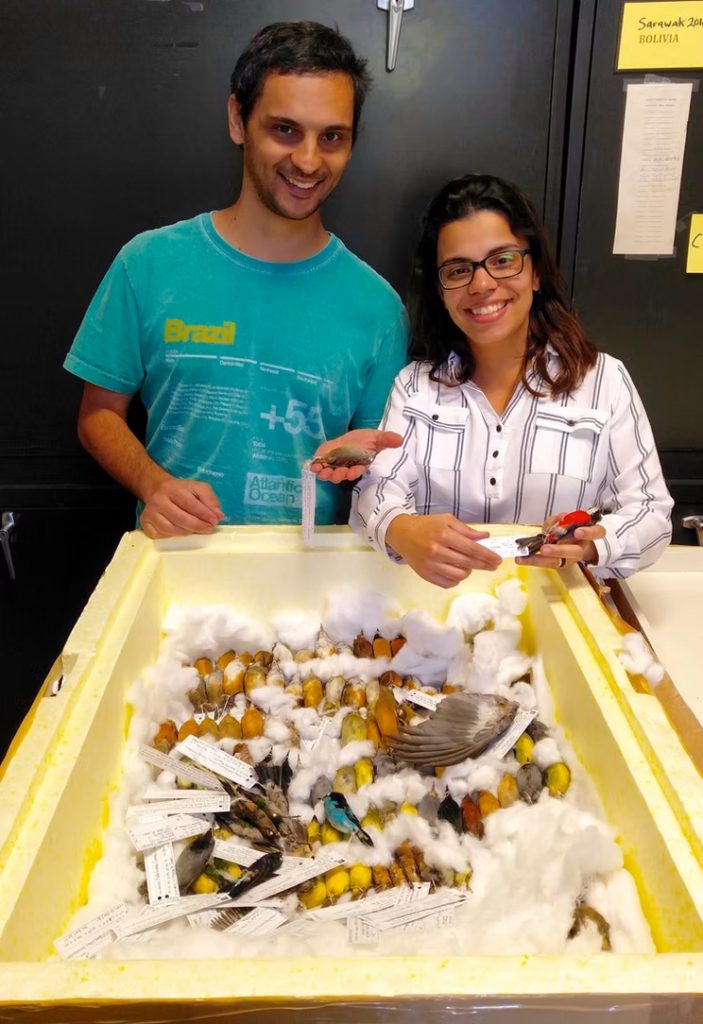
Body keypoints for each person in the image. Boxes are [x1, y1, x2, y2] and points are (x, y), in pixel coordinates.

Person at [64, 21, 407, 538]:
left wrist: (360, 463)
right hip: (175, 574)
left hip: (311, 587)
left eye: (331, 137)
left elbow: (382, 469)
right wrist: (154, 485)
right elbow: (98, 417)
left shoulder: (378, 308)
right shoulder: (149, 263)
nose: (309, 160)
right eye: (285, 129)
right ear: (237, 120)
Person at [351, 173, 673, 587]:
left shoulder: (604, 382)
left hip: (561, 618)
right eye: (458, 269)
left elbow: (651, 512)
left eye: (502, 260)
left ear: (535, 272)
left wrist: (595, 544)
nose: (482, 285)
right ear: (441, 289)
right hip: (434, 620)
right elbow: (376, 490)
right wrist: (401, 530)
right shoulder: (415, 387)